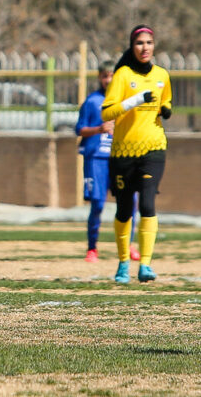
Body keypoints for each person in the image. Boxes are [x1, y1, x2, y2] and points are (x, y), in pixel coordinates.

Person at [101, 25, 172, 283]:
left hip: (154, 148)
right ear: (132, 46)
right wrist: (134, 100)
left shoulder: (162, 74)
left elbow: (166, 100)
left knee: (147, 204)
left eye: (149, 42)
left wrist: (165, 108)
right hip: (123, 152)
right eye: (140, 43)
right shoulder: (122, 75)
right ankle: (122, 264)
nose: (145, 47)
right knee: (124, 210)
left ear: (154, 46)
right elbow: (107, 113)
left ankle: (145, 265)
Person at [75, 61, 140, 263]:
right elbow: (80, 129)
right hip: (96, 158)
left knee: (131, 202)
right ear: (100, 78)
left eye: (112, 75)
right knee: (97, 203)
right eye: (105, 76)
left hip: (121, 157)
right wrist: (99, 129)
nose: (108, 80)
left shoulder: (126, 102)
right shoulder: (92, 102)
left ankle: (127, 244)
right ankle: (92, 248)